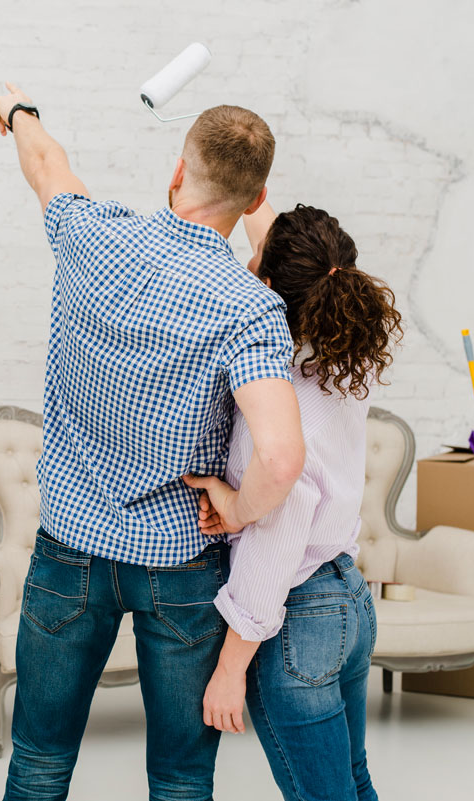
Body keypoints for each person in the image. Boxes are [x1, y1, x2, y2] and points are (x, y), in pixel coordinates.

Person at [0, 81, 306, 801]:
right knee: (180, 776)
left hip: (70, 546)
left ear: (175, 171)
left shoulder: (90, 234)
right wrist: (235, 505)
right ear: (255, 200)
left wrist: (18, 114)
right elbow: (283, 457)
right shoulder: (250, 308)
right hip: (181, 565)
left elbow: (45, 163)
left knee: (38, 762)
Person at [187, 202, 403, 801]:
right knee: (352, 783)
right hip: (349, 604)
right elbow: (295, 251)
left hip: (298, 618)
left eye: (257, 261)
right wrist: (253, 194)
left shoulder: (278, 399)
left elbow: (273, 550)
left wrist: (229, 672)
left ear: (271, 286)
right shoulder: (346, 357)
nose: (248, 260)